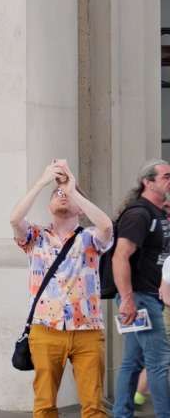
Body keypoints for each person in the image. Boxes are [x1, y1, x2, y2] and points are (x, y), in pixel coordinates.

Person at [12, 159, 114, 418]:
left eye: (67, 195)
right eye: (57, 195)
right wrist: (43, 181)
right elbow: (15, 219)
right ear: (48, 206)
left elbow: (107, 227)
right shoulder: (36, 237)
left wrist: (72, 189)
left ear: (80, 208)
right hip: (45, 328)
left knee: (93, 406)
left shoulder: (89, 237)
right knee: (44, 405)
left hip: (88, 330)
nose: (62, 196)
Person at [113, 161, 170, 418]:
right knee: (159, 363)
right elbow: (120, 256)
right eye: (166, 177)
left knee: (133, 362)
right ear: (148, 182)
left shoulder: (158, 214)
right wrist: (127, 299)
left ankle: (121, 414)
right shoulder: (139, 214)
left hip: (146, 297)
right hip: (139, 298)